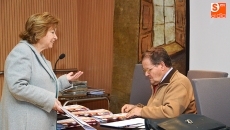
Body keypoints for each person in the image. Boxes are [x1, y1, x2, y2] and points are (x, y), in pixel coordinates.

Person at [0, 12, 83, 130]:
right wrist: (49, 100)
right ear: (39, 32)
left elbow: (42, 87)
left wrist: (64, 80)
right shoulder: (22, 52)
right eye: (52, 32)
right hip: (24, 125)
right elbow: (18, 86)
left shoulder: (39, 56)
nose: (56, 37)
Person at [121, 47, 197, 119]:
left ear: (161, 66)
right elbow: (157, 109)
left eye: (149, 70)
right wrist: (136, 108)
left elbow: (170, 113)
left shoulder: (179, 82)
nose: (146, 74)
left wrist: (141, 111)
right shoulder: (159, 81)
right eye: (144, 71)